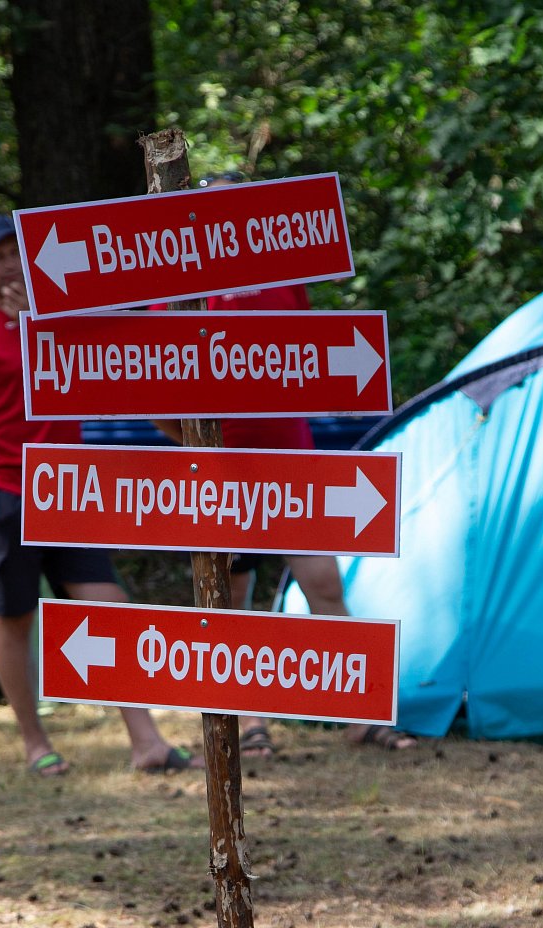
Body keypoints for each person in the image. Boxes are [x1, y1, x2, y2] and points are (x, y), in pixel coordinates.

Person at [153, 171, 417, 760]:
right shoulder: (175, 285)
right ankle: (250, 726)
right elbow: (149, 386)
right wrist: (199, 450)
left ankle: (360, 715)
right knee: (231, 595)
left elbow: (306, 352)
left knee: (324, 582)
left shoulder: (284, 276)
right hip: (219, 477)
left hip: (291, 464)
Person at [0, 212, 202, 777]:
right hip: (8, 495)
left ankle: (146, 741)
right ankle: (36, 743)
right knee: (17, 620)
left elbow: (111, 366)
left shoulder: (59, 320)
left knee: (110, 609)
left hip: (70, 494)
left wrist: (39, 323)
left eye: (16, 252)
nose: (8, 263)